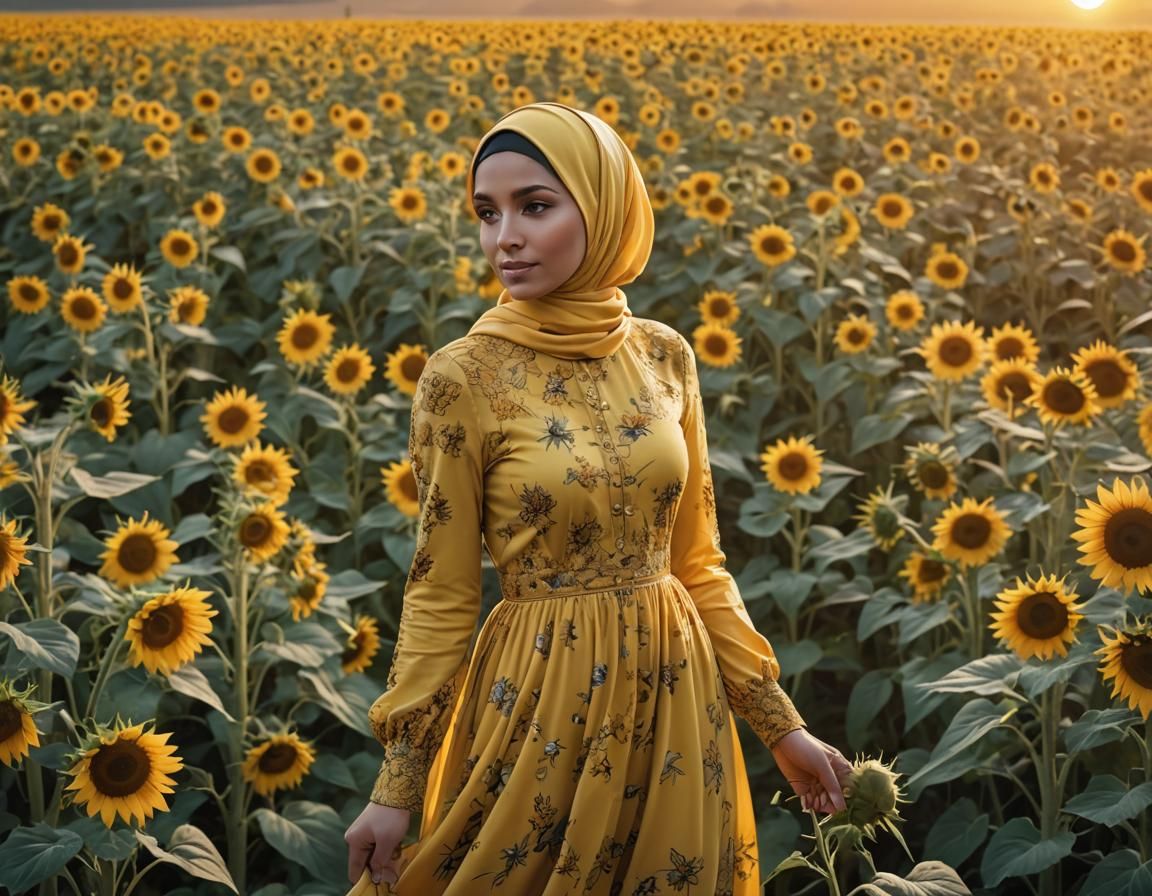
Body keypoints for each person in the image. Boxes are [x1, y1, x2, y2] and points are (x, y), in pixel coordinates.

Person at [343, 102, 851, 896]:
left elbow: (698, 561)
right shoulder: (461, 378)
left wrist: (780, 724)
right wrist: (397, 784)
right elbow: (442, 590)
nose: (504, 237)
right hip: (541, 701)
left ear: (606, 207)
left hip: (677, 697)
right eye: (487, 212)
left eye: (534, 206)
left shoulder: (664, 356)